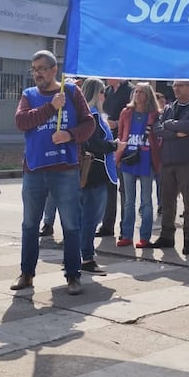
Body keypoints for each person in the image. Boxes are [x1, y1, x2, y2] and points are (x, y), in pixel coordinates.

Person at [10, 51, 94, 294]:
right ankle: (27, 273)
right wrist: (50, 108)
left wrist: (69, 135)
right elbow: (21, 122)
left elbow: (89, 124)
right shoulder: (29, 95)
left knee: (70, 225)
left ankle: (73, 275)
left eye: (42, 68)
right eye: (34, 69)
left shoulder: (71, 92)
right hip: (35, 169)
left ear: (54, 69)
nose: (37, 73)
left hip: (65, 169)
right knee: (29, 225)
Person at [149, 80, 189, 254]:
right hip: (168, 160)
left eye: (180, 85)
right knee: (167, 200)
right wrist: (175, 132)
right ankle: (167, 236)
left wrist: (169, 125)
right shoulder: (168, 108)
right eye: (174, 86)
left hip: (188, 161)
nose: (176, 88)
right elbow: (157, 128)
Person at [79, 78, 121, 273]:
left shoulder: (89, 114)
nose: (105, 95)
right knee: (90, 217)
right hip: (96, 171)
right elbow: (94, 145)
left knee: (85, 217)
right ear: (97, 94)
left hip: (95, 171)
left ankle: (79, 255)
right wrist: (114, 145)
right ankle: (86, 257)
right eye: (102, 92)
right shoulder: (92, 116)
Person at [115, 83, 160, 248]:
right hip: (128, 159)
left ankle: (145, 237)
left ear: (148, 96)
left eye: (142, 92)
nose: (138, 95)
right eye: (136, 92)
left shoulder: (154, 114)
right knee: (128, 200)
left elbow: (158, 136)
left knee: (146, 201)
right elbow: (120, 134)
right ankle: (126, 235)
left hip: (146, 160)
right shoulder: (126, 112)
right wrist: (118, 153)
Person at [97, 78, 132, 238]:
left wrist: (117, 123)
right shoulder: (107, 91)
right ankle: (107, 225)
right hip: (108, 142)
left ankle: (125, 228)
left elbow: (133, 114)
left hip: (124, 144)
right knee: (108, 187)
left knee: (125, 191)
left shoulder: (130, 90)